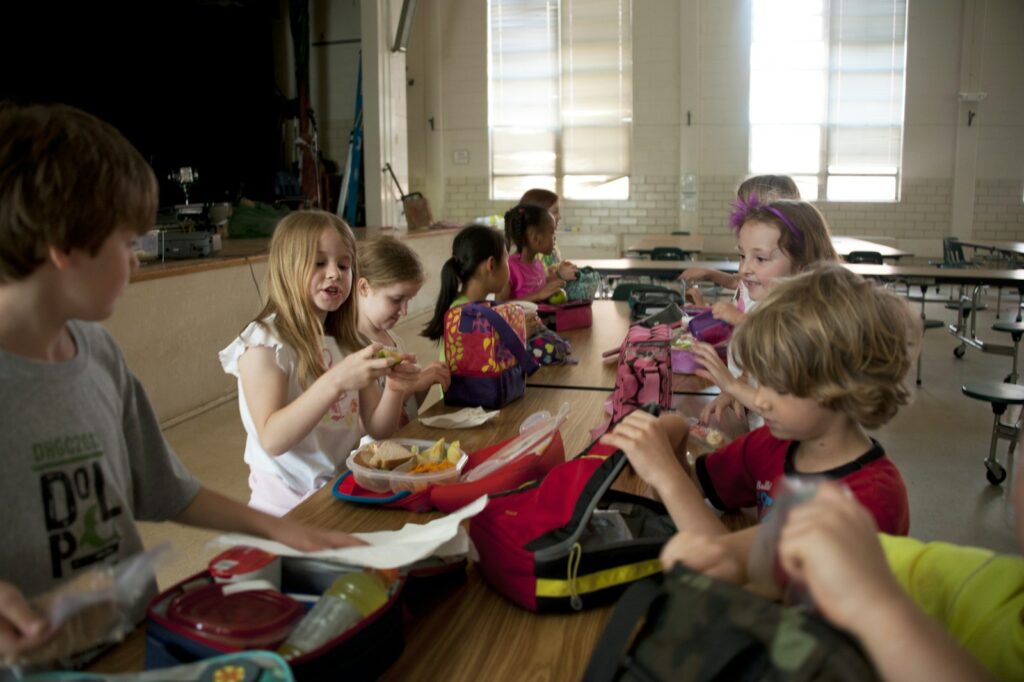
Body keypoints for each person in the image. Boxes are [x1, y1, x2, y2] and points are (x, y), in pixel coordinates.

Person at [0, 103, 362, 666]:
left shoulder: (98, 354)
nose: (138, 262)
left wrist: (290, 533)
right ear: (64, 248)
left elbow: (169, 491)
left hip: (126, 640)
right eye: (126, 245)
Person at [600, 264, 916, 547]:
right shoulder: (771, 445)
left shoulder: (868, 500)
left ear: (843, 386)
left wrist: (665, 475)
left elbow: (736, 572)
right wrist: (676, 439)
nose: (759, 399)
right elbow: (691, 497)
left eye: (775, 385)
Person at [659, 476, 1019, 681]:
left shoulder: (875, 492)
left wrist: (876, 607)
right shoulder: (995, 585)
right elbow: (849, 552)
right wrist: (731, 553)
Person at [220, 211, 420, 516]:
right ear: (288, 268)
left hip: (339, 494)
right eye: (319, 263)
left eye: (343, 265)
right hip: (284, 511)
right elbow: (272, 438)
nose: (334, 274)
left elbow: (377, 429)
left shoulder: (348, 341)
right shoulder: (263, 342)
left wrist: (395, 388)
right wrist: (337, 380)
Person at [693, 198, 840, 424]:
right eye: (742, 256)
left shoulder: (810, 322)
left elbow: (787, 413)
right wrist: (734, 389)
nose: (744, 269)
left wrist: (732, 386)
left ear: (803, 264)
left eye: (760, 259)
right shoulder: (772, 305)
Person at [355, 236, 450, 421]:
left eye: (409, 301)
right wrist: (414, 384)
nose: (404, 311)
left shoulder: (394, 340)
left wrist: (426, 381)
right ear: (365, 287)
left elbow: (408, 409)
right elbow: (370, 420)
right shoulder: (356, 347)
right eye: (396, 300)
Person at [680, 174, 801, 309]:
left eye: (761, 258)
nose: (738, 215)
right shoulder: (758, 275)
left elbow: (748, 326)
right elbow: (738, 282)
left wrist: (707, 311)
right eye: (742, 256)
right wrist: (710, 274)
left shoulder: (774, 296)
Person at [422, 224, 510, 345]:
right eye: (506, 259)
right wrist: (518, 332)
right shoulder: (465, 314)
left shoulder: (465, 305)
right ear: (491, 265)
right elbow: (486, 357)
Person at [499, 204, 577, 303]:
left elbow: (541, 295)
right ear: (536, 238)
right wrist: (538, 295)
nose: (554, 238)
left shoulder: (538, 265)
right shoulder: (509, 267)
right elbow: (500, 305)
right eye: (552, 232)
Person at [519, 188, 567, 275]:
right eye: (555, 212)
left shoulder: (551, 242)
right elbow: (534, 283)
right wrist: (560, 275)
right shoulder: (531, 251)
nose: (559, 216)